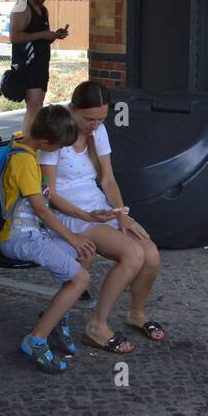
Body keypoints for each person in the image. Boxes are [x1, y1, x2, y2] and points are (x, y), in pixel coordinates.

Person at [39, 81, 165, 352]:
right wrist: (89, 216)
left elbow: (107, 180)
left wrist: (122, 215)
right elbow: (48, 195)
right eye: (89, 119)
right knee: (133, 254)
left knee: (151, 254)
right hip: (69, 215)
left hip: (98, 210)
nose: (94, 125)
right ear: (73, 109)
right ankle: (97, 326)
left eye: (101, 119)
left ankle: (136, 313)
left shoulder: (98, 131)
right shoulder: (56, 133)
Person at [0, 104, 94, 373]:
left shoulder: (24, 146)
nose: (60, 151)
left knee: (86, 252)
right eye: (59, 146)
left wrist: (80, 231)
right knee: (80, 278)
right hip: (19, 238)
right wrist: (71, 237)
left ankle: (56, 318)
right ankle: (36, 340)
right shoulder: (25, 160)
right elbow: (40, 208)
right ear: (46, 141)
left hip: (32, 233)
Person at [9, 0, 69, 136]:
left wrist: (54, 35)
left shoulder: (43, 10)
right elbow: (14, 37)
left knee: (37, 106)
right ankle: (27, 147)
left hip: (41, 64)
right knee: (34, 108)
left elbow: (41, 38)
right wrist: (44, 34)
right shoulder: (22, 7)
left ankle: (30, 145)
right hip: (26, 64)